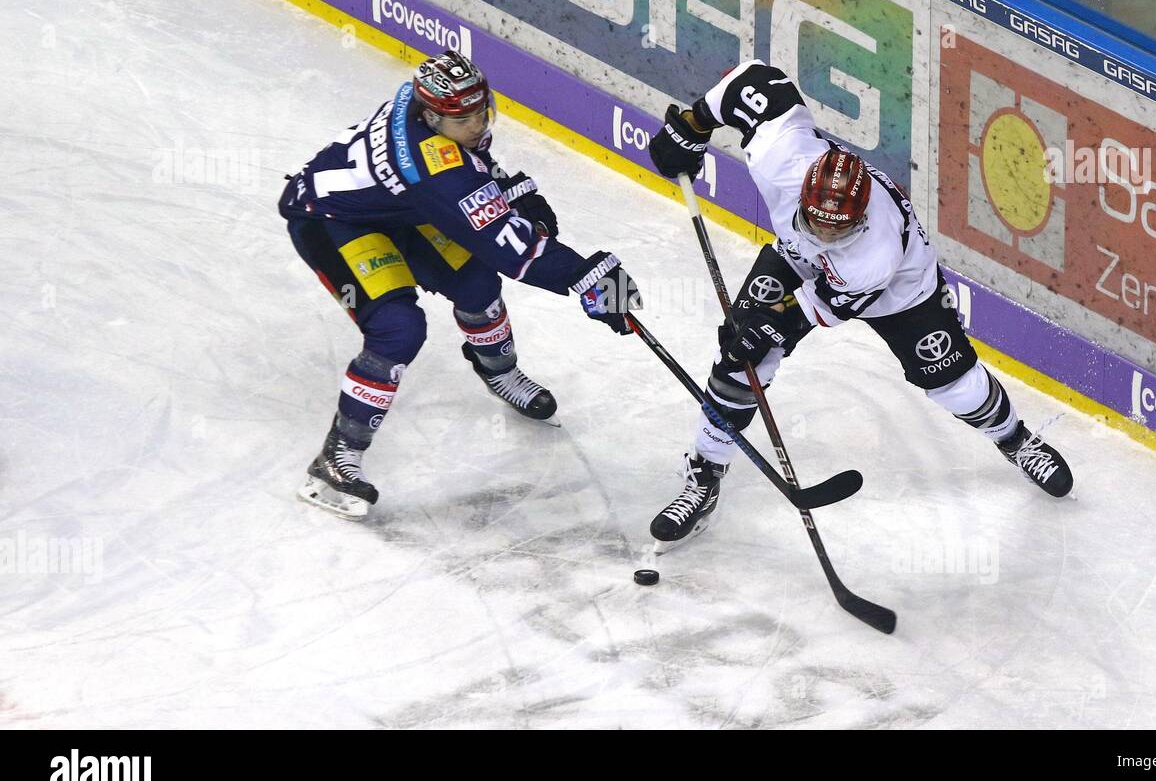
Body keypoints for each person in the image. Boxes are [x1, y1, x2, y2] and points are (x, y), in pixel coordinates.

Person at [646, 59, 1072, 548]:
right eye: (818, 220)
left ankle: (1015, 439)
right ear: (804, 192)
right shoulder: (780, 155)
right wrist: (692, 126)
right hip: (797, 257)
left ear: (860, 215)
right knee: (739, 363)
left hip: (899, 293)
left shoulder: (874, 254)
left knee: (954, 383)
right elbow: (755, 79)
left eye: (838, 227)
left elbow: (811, 311)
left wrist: (766, 326)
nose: (827, 232)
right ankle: (704, 475)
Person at [279, 50, 639, 520]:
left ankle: (498, 371)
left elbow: (473, 163)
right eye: (463, 118)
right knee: (397, 329)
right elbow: (512, 249)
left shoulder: (423, 101)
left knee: (476, 284)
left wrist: (512, 191)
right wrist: (587, 277)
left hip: (401, 208)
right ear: (432, 117)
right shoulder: (436, 172)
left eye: (480, 112)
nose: (476, 124)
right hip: (332, 221)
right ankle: (335, 458)